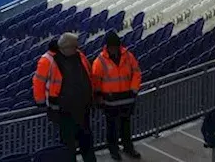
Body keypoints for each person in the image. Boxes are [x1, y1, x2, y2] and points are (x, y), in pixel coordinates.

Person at [33, 33, 95, 162]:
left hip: (83, 108)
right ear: (66, 47)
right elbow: (38, 82)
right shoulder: (47, 60)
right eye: (74, 47)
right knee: (68, 144)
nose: (76, 49)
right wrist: (41, 103)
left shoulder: (79, 55)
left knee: (86, 140)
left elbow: (88, 74)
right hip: (63, 111)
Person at [91, 31, 143, 160]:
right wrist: (98, 96)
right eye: (112, 46)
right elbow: (96, 80)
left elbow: (136, 73)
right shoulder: (100, 61)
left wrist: (133, 89)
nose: (114, 49)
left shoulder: (128, 56)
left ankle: (128, 147)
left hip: (127, 98)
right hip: (110, 101)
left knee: (126, 126)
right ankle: (114, 150)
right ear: (107, 47)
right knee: (111, 128)